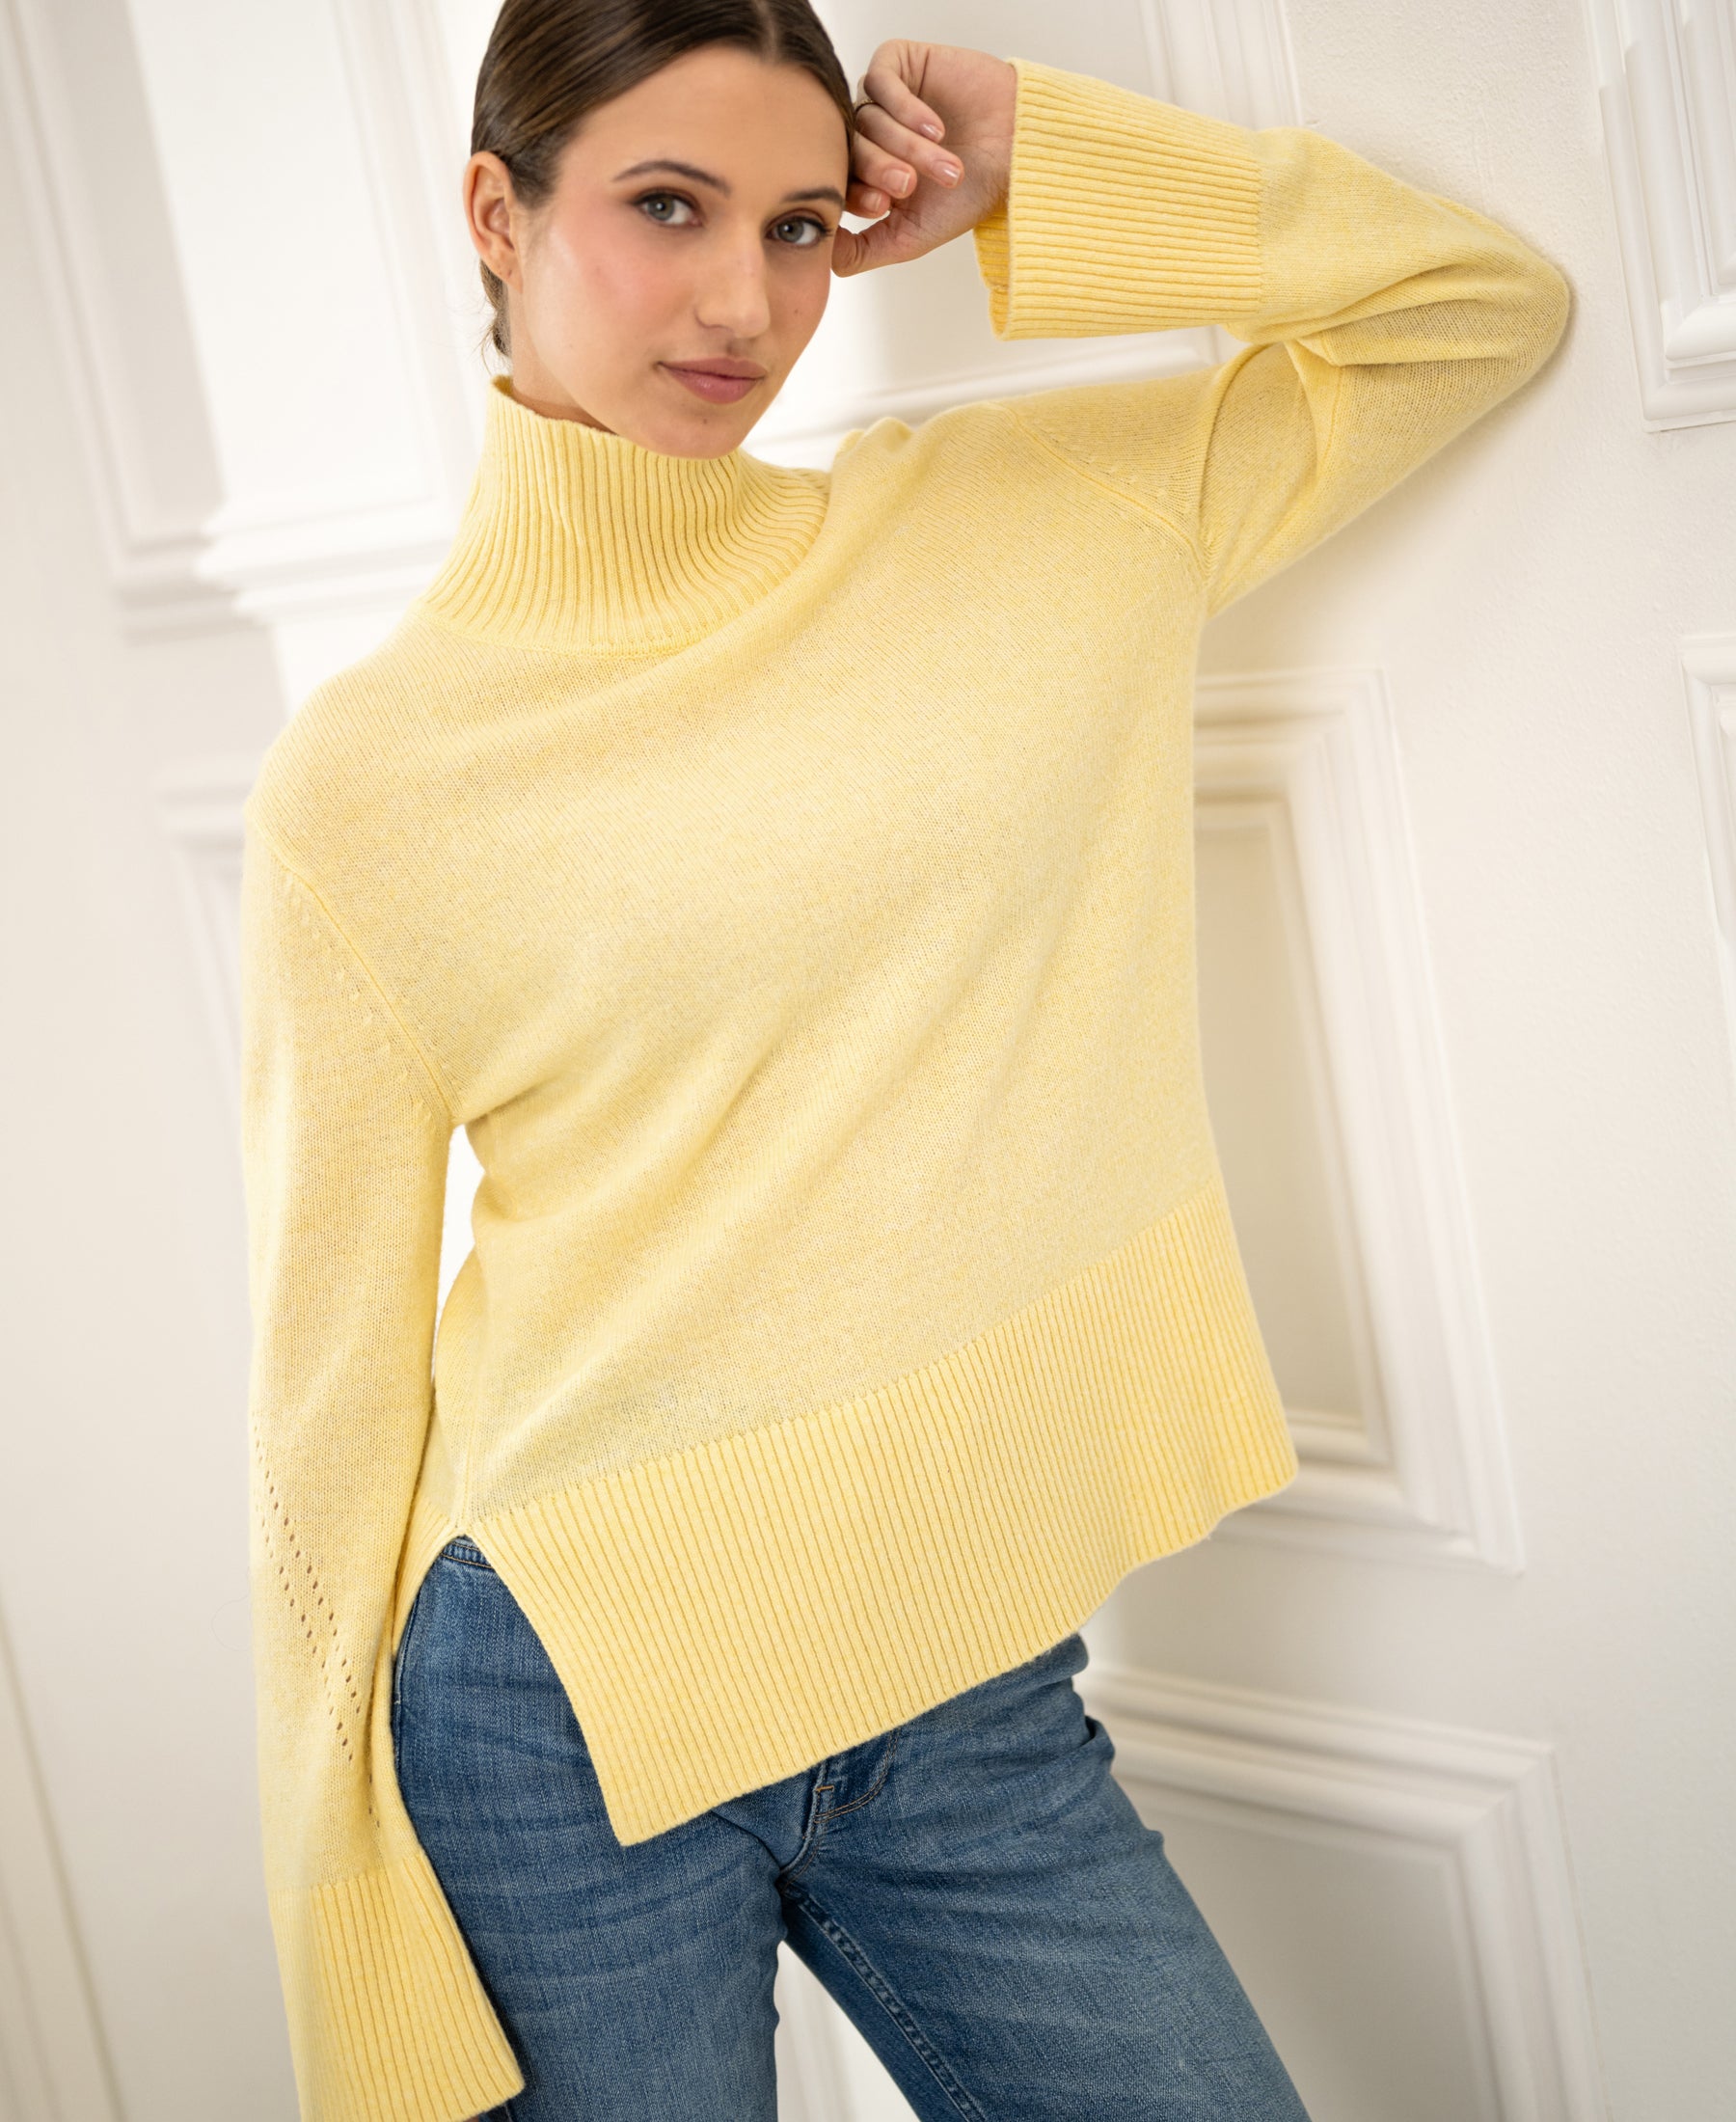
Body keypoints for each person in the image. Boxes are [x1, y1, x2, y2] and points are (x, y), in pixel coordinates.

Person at [234, 2, 1570, 2116]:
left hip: (962, 1678)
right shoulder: (369, 788)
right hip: (566, 1702)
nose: (740, 298)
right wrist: (363, 1965)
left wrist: (1044, 158)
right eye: (664, 207)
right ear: (498, 210)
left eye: (795, 221)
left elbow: (1474, 309)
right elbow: (326, 1398)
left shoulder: (1001, 530)